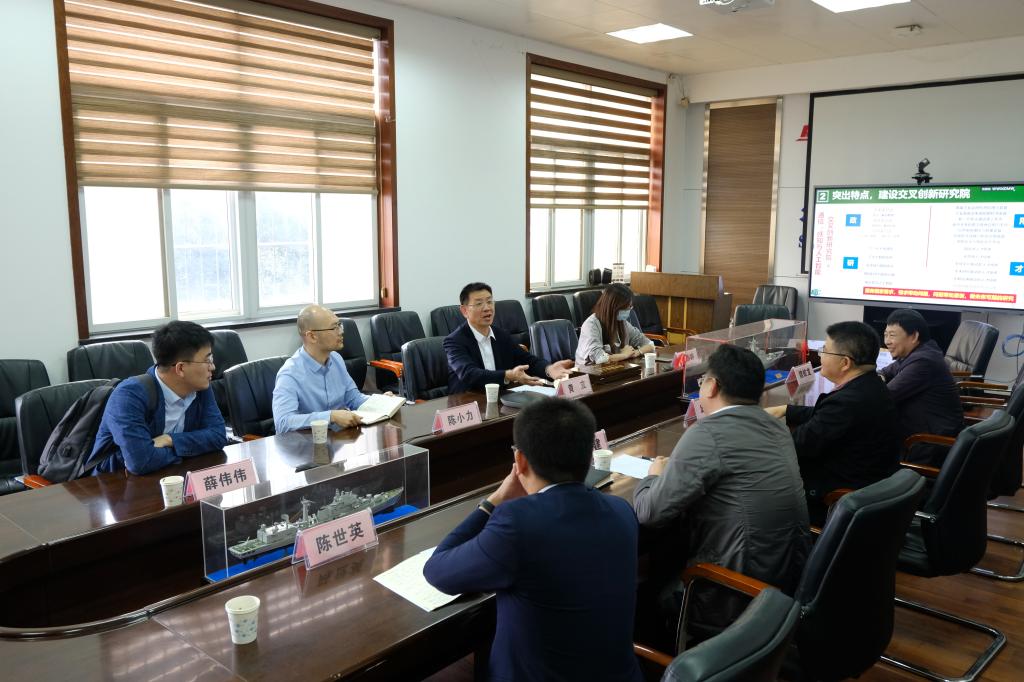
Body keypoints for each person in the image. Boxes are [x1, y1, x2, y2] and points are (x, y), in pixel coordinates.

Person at [423, 397, 642, 682]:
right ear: (589, 457)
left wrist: (493, 501)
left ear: (520, 461)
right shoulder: (622, 510)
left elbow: (438, 571)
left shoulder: (517, 523)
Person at [634, 344, 810, 630]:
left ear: (712, 386)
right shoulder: (776, 426)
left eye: (702, 380)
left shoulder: (708, 433)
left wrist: (653, 476)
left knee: (641, 591)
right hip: (783, 582)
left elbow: (649, 512)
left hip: (732, 593)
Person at [765, 321, 901, 524]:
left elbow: (796, 445)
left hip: (834, 500)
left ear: (845, 363)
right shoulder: (870, 385)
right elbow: (828, 416)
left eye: (825, 350)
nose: (820, 355)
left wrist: (756, 432)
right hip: (868, 485)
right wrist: (786, 409)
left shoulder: (847, 402)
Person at [89, 321, 226, 475]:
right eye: (207, 361)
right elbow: (141, 462)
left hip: (171, 475)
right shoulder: (128, 396)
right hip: (115, 482)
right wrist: (190, 449)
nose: (213, 367)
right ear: (181, 368)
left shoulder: (199, 386)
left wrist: (170, 440)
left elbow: (218, 436)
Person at [443, 282, 572, 394]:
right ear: (464, 311)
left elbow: (527, 360)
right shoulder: (454, 341)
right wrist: (508, 375)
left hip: (500, 398)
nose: (487, 308)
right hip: (467, 402)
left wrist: (548, 369)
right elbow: (469, 374)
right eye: (479, 304)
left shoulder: (501, 335)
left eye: (489, 302)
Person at [881, 309, 964, 465]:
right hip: (918, 433)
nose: (887, 341)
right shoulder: (917, 352)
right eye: (885, 335)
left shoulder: (923, 361)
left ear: (914, 336)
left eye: (892, 335)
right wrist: (879, 377)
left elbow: (885, 396)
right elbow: (886, 372)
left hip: (928, 443)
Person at [273, 304, 370, 434]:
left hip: (340, 439)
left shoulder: (336, 359)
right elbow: (283, 423)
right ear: (312, 336)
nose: (341, 331)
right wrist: (330, 416)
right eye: (334, 328)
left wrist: (380, 402)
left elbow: (354, 398)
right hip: (307, 443)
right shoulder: (290, 374)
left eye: (339, 325)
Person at [575, 283, 655, 367]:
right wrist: (624, 355)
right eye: (626, 307)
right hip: (588, 372)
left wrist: (636, 352)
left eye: (630, 306)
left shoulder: (621, 322)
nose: (629, 310)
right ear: (613, 307)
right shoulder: (591, 324)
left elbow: (650, 345)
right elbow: (599, 358)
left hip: (613, 368)